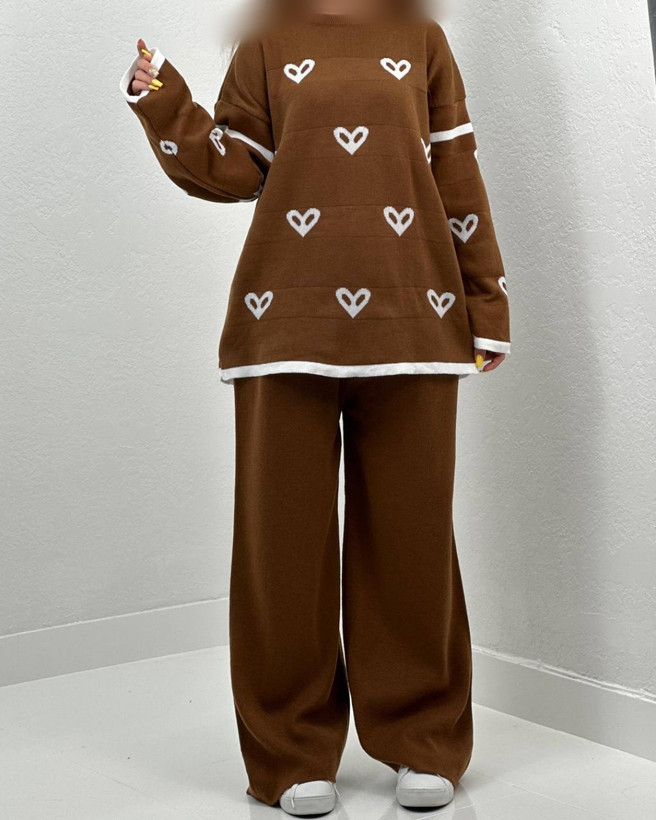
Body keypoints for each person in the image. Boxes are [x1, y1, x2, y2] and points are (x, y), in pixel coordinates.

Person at [119, 0, 510, 814]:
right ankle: (293, 752)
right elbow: (234, 168)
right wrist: (164, 101)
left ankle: (421, 738)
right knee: (282, 546)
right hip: (283, 325)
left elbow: (456, 170)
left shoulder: (422, 37)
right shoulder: (266, 40)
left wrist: (486, 302)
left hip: (415, 320)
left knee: (412, 540)